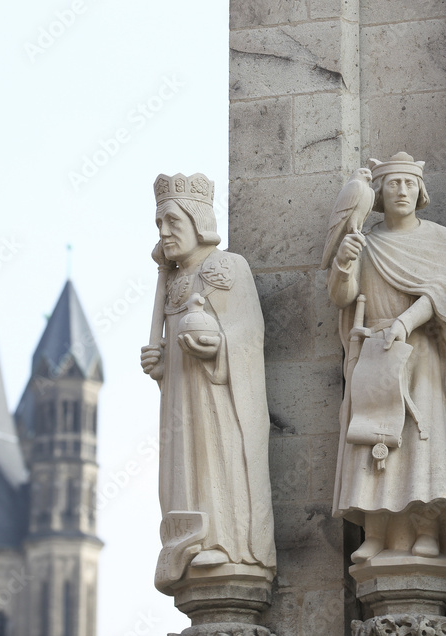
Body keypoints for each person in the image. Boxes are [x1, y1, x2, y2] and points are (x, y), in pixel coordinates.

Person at [328, 152, 446, 564]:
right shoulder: (367, 242)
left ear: (420, 190)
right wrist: (344, 261)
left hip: (421, 351)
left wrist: (406, 323)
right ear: (379, 193)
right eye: (393, 184)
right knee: (373, 436)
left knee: (418, 442)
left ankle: (426, 529)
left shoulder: (440, 239)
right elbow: (342, 298)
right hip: (374, 351)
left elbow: (445, 294)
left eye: (408, 183)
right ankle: (377, 530)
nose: (401, 191)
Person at [140, 173, 276, 587]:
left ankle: (227, 540)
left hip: (219, 395)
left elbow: (250, 334)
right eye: (159, 225)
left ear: (198, 223)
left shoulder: (225, 266)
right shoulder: (173, 282)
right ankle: (190, 540)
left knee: (218, 456)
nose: (164, 233)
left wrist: (217, 345)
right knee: (185, 463)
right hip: (182, 398)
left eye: (172, 223)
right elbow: (172, 354)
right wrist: (161, 367)